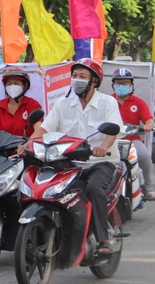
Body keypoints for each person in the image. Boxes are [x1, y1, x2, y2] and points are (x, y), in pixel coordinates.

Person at [21, 59, 123, 257]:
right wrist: (28, 143)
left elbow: (113, 131)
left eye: (82, 77)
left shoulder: (107, 102)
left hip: (99, 162)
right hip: (68, 163)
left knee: (94, 189)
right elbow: (45, 128)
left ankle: (104, 239)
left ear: (94, 81)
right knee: (46, 189)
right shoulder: (63, 103)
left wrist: (103, 147)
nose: (76, 80)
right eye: (74, 76)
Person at [111, 68, 155, 201]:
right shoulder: (107, 101)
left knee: (144, 156)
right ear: (113, 85)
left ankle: (148, 189)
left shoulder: (138, 102)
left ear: (131, 85)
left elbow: (148, 118)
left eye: (125, 83)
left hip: (132, 140)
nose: (122, 86)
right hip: (112, 140)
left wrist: (149, 125)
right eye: (119, 83)